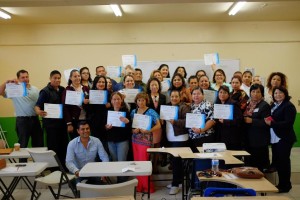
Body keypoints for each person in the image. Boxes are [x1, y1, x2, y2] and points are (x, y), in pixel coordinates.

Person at [0, 70, 43, 152]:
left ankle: (39, 163)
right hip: (22, 121)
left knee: (38, 144)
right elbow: (0, 92)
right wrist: (6, 83)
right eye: (23, 77)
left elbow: (40, 103)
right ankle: (22, 163)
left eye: (27, 77)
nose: (25, 79)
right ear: (18, 79)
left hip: (35, 119)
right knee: (22, 144)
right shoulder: (14, 89)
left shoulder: (35, 89)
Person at [264, 86, 296, 193]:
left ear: (285, 94)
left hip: (284, 138)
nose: (278, 95)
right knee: (279, 162)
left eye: (280, 93)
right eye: (276, 93)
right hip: (275, 138)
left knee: (284, 163)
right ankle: (281, 184)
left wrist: (272, 123)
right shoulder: (275, 104)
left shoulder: (288, 106)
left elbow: (288, 123)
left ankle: (286, 185)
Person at [35, 70, 68, 168]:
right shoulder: (45, 91)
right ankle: (54, 168)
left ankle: (63, 166)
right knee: (53, 148)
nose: (57, 80)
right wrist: (39, 112)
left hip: (62, 124)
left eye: (59, 78)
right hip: (51, 126)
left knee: (64, 146)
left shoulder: (62, 89)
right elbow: (37, 106)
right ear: (50, 79)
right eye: (55, 78)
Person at [131, 92, 161, 193]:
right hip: (135, 140)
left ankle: (148, 187)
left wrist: (149, 130)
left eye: (143, 100)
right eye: (139, 100)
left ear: (146, 101)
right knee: (137, 163)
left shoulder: (151, 111)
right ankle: (139, 186)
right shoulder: (133, 111)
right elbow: (131, 126)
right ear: (136, 101)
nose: (141, 102)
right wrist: (133, 130)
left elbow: (159, 125)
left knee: (144, 163)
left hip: (145, 141)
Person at [165, 90, 190, 195]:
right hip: (170, 138)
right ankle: (178, 182)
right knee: (175, 162)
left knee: (176, 162)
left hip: (180, 138)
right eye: (172, 96)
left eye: (176, 96)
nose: (174, 98)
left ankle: (175, 185)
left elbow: (187, 121)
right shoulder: (166, 107)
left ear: (180, 97)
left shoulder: (183, 107)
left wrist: (175, 121)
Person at [243, 84, 271, 172]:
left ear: (262, 93)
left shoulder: (265, 105)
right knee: (249, 164)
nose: (255, 94)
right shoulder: (248, 104)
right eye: (253, 91)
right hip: (248, 139)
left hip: (259, 140)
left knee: (258, 166)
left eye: (258, 92)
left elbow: (267, 122)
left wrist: (252, 121)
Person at [105, 92, 131, 182]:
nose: (116, 101)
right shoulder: (107, 112)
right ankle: (117, 180)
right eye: (114, 99)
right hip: (111, 141)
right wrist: (106, 127)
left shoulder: (126, 112)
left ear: (122, 100)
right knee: (115, 162)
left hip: (122, 141)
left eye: (118, 99)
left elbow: (130, 128)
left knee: (122, 162)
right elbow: (102, 126)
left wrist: (128, 122)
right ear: (111, 101)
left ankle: (122, 181)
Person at [62, 69, 89, 140]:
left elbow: (90, 105)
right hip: (74, 121)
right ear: (70, 78)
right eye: (75, 76)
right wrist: (69, 124)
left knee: (85, 140)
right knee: (76, 141)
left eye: (79, 76)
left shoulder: (86, 88)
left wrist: (87, 103)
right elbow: (65, 108)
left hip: (85, 119)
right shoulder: (67, 90)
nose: (77, 78)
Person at [215, 86, 243, 150]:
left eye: (224, 93)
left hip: (232, 136)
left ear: (228, 94)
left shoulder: (234, 104)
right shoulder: (217, 104)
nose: (222, 94)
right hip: (220, 136)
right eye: (220, 92)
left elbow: (239, 120)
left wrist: (225, 121)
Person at [87, 75, 111, 152]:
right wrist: (85, 103)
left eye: (103, 82)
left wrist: (110, 105)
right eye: (99, 82)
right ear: (95, 83)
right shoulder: (90, 95)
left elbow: (115, 109)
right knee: (96, 147)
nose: (101, 84)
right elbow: (88, 111)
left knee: (106, 148)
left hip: (107, 125)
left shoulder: (110, 95)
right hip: (95, 125)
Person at [188, 87, 216, 151]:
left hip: (204, 136)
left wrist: (201, 130)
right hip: (193, 137)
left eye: (198, 94)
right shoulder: (191, 106)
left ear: (203, 95)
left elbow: (212, 120)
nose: (196, 96)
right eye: (194, 94)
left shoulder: (208, 105)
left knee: (203, 158)